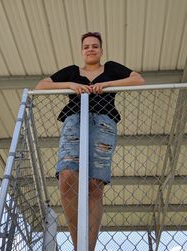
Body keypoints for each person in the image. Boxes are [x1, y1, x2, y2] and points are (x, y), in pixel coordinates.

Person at [35, 32, 145, 251]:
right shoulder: (72, 72)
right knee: (67, 175)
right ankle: (78, 244)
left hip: (104, 121)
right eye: (86, 46)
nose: (91, 49)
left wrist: (107, 85)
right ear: (82, 51)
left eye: (95, 46)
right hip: (75, 119)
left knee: (95, 184)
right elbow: (41, 85)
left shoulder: (111, 67)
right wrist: (70, 85)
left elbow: (138, 79)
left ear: (101, 50)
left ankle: (89, 248)